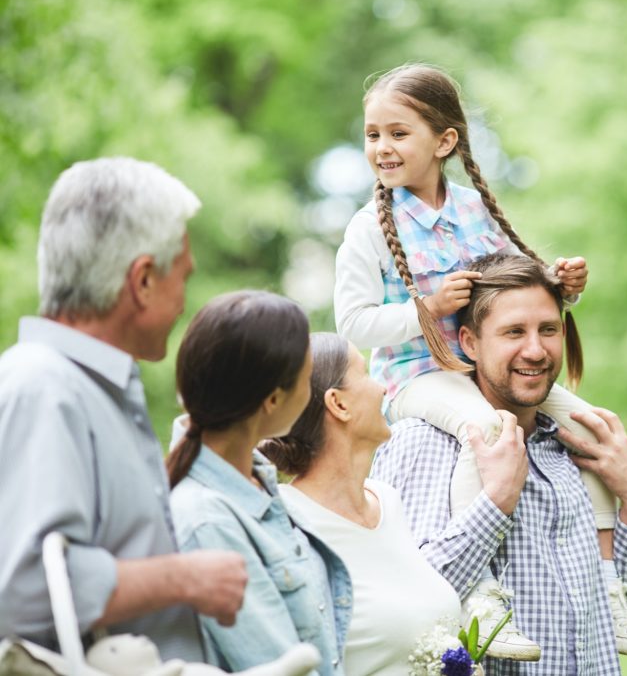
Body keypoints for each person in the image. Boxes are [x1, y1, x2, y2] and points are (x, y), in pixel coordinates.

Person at [334, 62, 627, 658]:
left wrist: (561, 282)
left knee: (594, 426)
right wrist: (427, 309)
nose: (381, 147)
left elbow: (516, 288)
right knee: (488, 428)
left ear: (445, 141)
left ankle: (611, 590)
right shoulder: (369, 231)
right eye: (372, 134)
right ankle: (483, 597)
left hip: (477, 371)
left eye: (398, 133)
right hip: (417, 377)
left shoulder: (471, 210)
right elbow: (352, 324)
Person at [0, 157, 246, 661]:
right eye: (183, 275)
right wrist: (184, 578)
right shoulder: (44, 387)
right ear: (143, 281)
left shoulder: (87, 389)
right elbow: (21, 589)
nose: (184, 301)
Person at [372, 253, 627, 675]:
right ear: (470, 342)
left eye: (548, 330)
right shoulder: (423, 443)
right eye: (513, 332)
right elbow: (404, 604)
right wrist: (494, 505)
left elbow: (614, 613)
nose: (535, 349)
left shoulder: (572, 450)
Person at [166, 291, 349, 675]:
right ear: (272, 400)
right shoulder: (206, 519)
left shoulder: (257, 482)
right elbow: (278, 663)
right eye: (306, 372)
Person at [260, 333, 462, 675]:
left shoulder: (388, 501)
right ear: (338, 404)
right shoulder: (287, 523)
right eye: (366, 373)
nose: (383, 387)